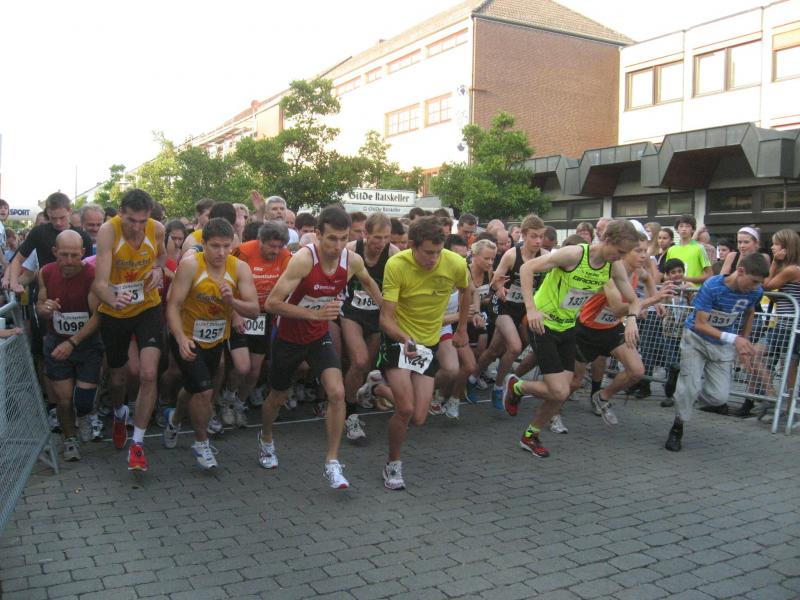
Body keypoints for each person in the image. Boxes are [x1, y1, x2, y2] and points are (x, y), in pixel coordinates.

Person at [258, 206, 382, 489]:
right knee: (277, 397)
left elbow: (370, 283)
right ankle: (266, 437)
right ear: (318, 235)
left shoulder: (352, 260)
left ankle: (332, 462)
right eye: (332, 239)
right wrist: (313, 315)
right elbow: (272, 304)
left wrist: (387, 310)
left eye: (343, 238)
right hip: (288, 337)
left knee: (336, 393)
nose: (338, 246)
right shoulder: (304, 260)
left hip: (318, 336)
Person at [502, 220, 641, 458]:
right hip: (542, 324)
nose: (620, 258)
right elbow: (527, 269)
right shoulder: (574, 254)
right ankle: (516, 386)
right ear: (607, 240)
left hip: (567, 327)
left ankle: (531, 435)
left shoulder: (613, 267)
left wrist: (632, 320)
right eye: (619, 252)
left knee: (563, 392)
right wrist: (531, 309)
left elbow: (634, 300)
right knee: (558, 391)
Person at [378, 216, 470, 490]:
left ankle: (376, 388)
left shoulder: (455, 263)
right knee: (405, 409)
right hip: (399, 339)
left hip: (428, 344)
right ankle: (393, 464)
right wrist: (404, 338)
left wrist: (462, 328)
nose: (434, 258)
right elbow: (385, 318)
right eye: (428, 252)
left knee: (418, 418)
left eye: (438, 252)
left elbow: (467, 291)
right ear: (412, 246)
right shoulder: (397, 264)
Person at [164, 218, 260, 468]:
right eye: (215, 246)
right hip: (187, 338)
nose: (221, 252)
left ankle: (174, 420)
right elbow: (173, 306)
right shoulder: (190, 266)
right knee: (204, 391)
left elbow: (253, 309)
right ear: (203, 244)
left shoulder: (239, 268)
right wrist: (180, 338)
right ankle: (201, 443)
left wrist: (232, 303)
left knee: (194, 387)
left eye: (227, 246)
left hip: (216, 339)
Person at [92, 189, 166, 471]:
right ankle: (119, 412)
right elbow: (99, 284)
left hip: (148, 307)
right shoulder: (108, 232)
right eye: (131, 220)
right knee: (118, 378)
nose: (137, 227)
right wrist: (113, 298)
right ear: (121, 212)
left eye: (142, 221)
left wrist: (158, 270)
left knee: (148, 373)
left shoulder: (156, 229)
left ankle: (138, 443)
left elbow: (161, 258)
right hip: (116, 311)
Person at [664, 253, 768, 452]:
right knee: (689, 388)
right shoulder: (713, 286)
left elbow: (750, 312)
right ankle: (677, 427)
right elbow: (700, 324)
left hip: (722, 344)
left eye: (760, 283)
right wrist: (735, 339)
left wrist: (744, 341)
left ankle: (681, 383)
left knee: (719, 398)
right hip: (696, 339)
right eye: (754, 281)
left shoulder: (754, 292)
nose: (757, 287)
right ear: (740, 271)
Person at [569, 232, 672, 426]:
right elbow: (617, 308)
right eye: (638, 251)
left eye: (645, 251)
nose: (644, 255)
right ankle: (553, 411)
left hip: (611, 328)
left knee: (636, 371)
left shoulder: (637, 271)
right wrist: (652, 300)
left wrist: (656, 300)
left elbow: (649, 279)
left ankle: (602, 397)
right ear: (625, 252)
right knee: (575, 381)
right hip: (587, 330)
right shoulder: (611, 273)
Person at [36, 230, 103, 461]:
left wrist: (73, 342)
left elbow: (98, 316)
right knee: (63, 400)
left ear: (83, 252)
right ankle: (69, 440)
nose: (69, 261)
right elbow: (40, 305)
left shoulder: (92, 275)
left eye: (75, 255)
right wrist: (45, 309)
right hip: (57, 342)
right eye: (64, 255)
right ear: (55, 252)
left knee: (83, 401)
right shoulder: (45, 272)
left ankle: (84, 414)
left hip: (86, 343)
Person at [473, 215, 548, 409]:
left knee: (495, 350)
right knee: (514, 347)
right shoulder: (512, 255)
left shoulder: (546, 256)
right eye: (534, 236)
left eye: (541, 236)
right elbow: (494, 282)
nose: (538, 241)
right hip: (503, 305)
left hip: (525, 308)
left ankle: (473, 377)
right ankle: (499, 387)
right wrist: (499, 288)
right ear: (524, 235)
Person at [340, 213, 397, 441]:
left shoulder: (393, 254)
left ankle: (361, 392)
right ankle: (350, 414)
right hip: (351, 312)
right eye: (377, 237)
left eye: (386, 237)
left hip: (377, 315)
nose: (381, 243)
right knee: (360, 361)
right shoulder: (351, 250)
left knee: (367, 366)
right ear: (365, 234)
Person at [227, 221, 291, 416]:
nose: (276, 251)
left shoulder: (285, 256)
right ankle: (227, 398)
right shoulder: (243, 252)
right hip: (240, 311)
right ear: (260, 241)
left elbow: (288, 285)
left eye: (280, 246)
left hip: (264, 316)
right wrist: (234, 313)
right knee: (242, 367)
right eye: (272, 246)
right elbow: (226, 283)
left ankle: (239, 403)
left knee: (255, 369)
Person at [738, 229, 800, 417]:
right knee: (778, 362)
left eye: (776, 244)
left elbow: (766, 284)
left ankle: (785, 405)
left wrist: (774, 262)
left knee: (788, 366)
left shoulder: (791, 269)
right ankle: (776, 398)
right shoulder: (789, 268)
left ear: (786, 248)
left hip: (789, 326)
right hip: (783, 325)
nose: (772, 247)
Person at [665, 215, 712, 285]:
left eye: (687, 226)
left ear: (693, 229)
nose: (684, 229)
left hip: (694, 290)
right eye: (681, 226)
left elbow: (709, 275)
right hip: (675, 290)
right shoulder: (671, 250)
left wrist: (687, 279)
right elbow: (666, 274)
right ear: (677, 229)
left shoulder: (699, 248)